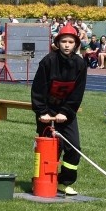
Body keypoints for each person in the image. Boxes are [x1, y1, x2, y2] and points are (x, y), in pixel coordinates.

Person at [31, 24, 87, 196]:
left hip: (66, 113)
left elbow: (78, 92)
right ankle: (41, 181)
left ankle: (65, 181)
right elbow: (38, 89)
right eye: (64, 41)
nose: (67, 45)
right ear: (58, 42)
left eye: (71, 41)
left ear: (76, 44)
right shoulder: (48, 61)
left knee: (73, 147)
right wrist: (42, 112)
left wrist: (66, 112)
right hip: (47, 111)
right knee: (48, 148)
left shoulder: (80, 64)